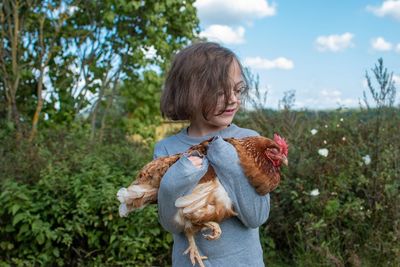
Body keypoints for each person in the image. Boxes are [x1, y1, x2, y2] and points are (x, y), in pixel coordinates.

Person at [154, 41, 270, 267]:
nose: (233, 100)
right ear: (190, 93)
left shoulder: (249, 141)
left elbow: (256, 216)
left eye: (238, 90)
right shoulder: (167, 149)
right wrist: (177, 179)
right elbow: (171, 224)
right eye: (220, 92)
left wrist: (227, 160)